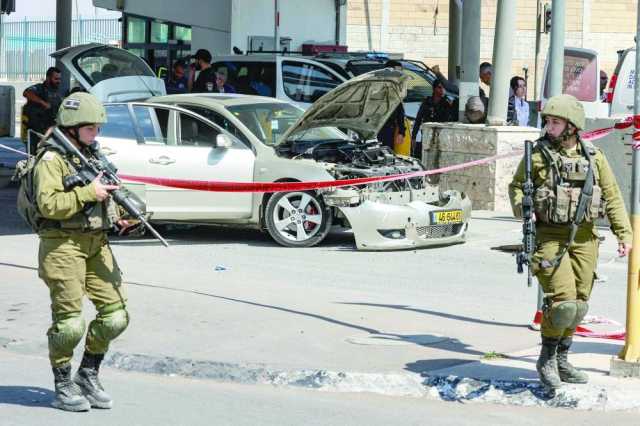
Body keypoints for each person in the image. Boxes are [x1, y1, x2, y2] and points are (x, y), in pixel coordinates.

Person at [508, 94, 631, 392]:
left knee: (579, 304)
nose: (549, 127)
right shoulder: (536, 155)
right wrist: (524, 208)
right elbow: (515, 188)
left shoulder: (593, 156)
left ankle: (563, 358)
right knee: (562, 303)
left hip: (586, 237)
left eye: (555, 122)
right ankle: (547, 359)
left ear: (572, 126)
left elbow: (612, 196)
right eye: (547, 121)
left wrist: (624, 233)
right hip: (550, 236)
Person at [33, 92, 132, 411]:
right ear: (73, 127)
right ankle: (63, 382)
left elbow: (104, 197)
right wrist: (89, 192)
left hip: (95, 242)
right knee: (70, 323)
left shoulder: (90, 154)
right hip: (62, 244)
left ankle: (88, 372)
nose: (96, 134)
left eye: (98, 128)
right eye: (91, 128)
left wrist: (119, 219)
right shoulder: (51, 159)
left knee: (116, 316)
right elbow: (48, 204)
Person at [21, 67, 63, 155]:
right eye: (56, 79)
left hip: (49, 131)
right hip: (35, 132)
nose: (58, 81)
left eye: (59, 79)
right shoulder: (39, 88)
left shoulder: (58, 92)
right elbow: (26, 93)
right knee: (33, 156)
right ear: (48, 78)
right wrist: (43, 103)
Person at [411, 79, 457, 156]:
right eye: (439, 87)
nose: (442, 90)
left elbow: (450, 120)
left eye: (443, 88)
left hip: (441, 136)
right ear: (434, 89)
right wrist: (414, 137)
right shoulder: (427, 102)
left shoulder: (446, 103)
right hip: (427, 135)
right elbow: (418, 120)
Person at [377, 60, 406, 151]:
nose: (400, 74)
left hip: (390, 129)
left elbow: (400, 112)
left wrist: (401, 132)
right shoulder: (378, 87)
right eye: (398, 71)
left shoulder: (396, 88)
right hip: (379, 129)